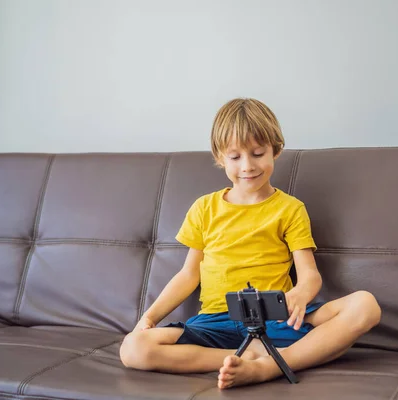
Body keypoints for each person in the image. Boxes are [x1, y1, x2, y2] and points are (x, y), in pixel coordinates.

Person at [119, 98, 382, 389]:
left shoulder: (290, 209)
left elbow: (310, 275)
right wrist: (150, 317)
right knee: (133, 349)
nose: (247, 166)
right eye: (235, 157)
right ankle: (251, 355)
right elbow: (188, 275)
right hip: (215, 321)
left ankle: (268, 366)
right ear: (220, 157)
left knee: (365, 305)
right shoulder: (204, 208)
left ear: (276, 150)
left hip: (275, 319)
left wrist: (299, 294)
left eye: (258, 153)